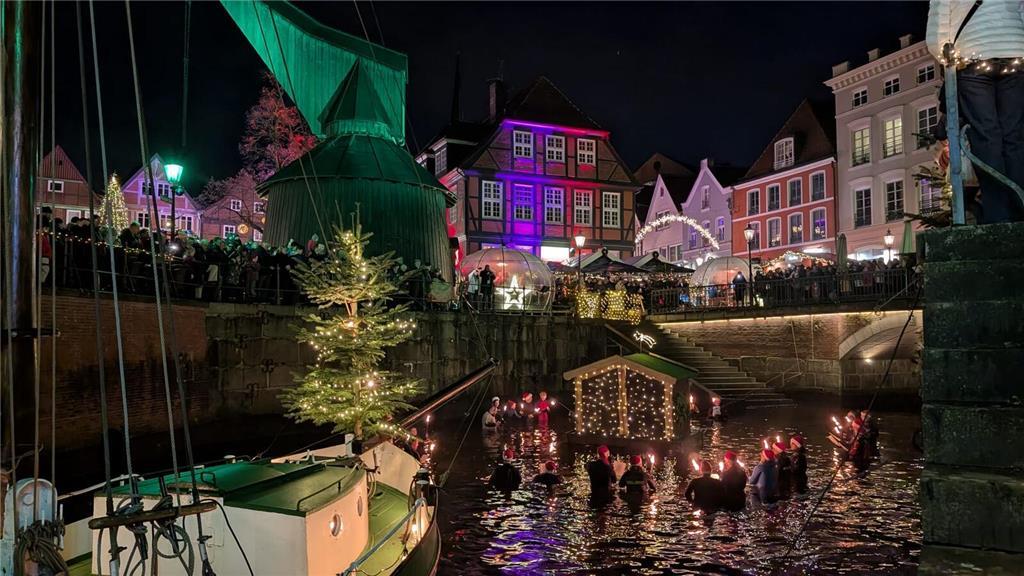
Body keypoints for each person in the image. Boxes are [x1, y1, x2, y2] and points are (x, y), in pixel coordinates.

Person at [927, 0, 1024, 224]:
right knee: (1015, 137)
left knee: (986, 137)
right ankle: (1019, 208)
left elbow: (939, 17)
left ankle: (998, 214)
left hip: (972, 55)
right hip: (1016, 51)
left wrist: (944, 55)